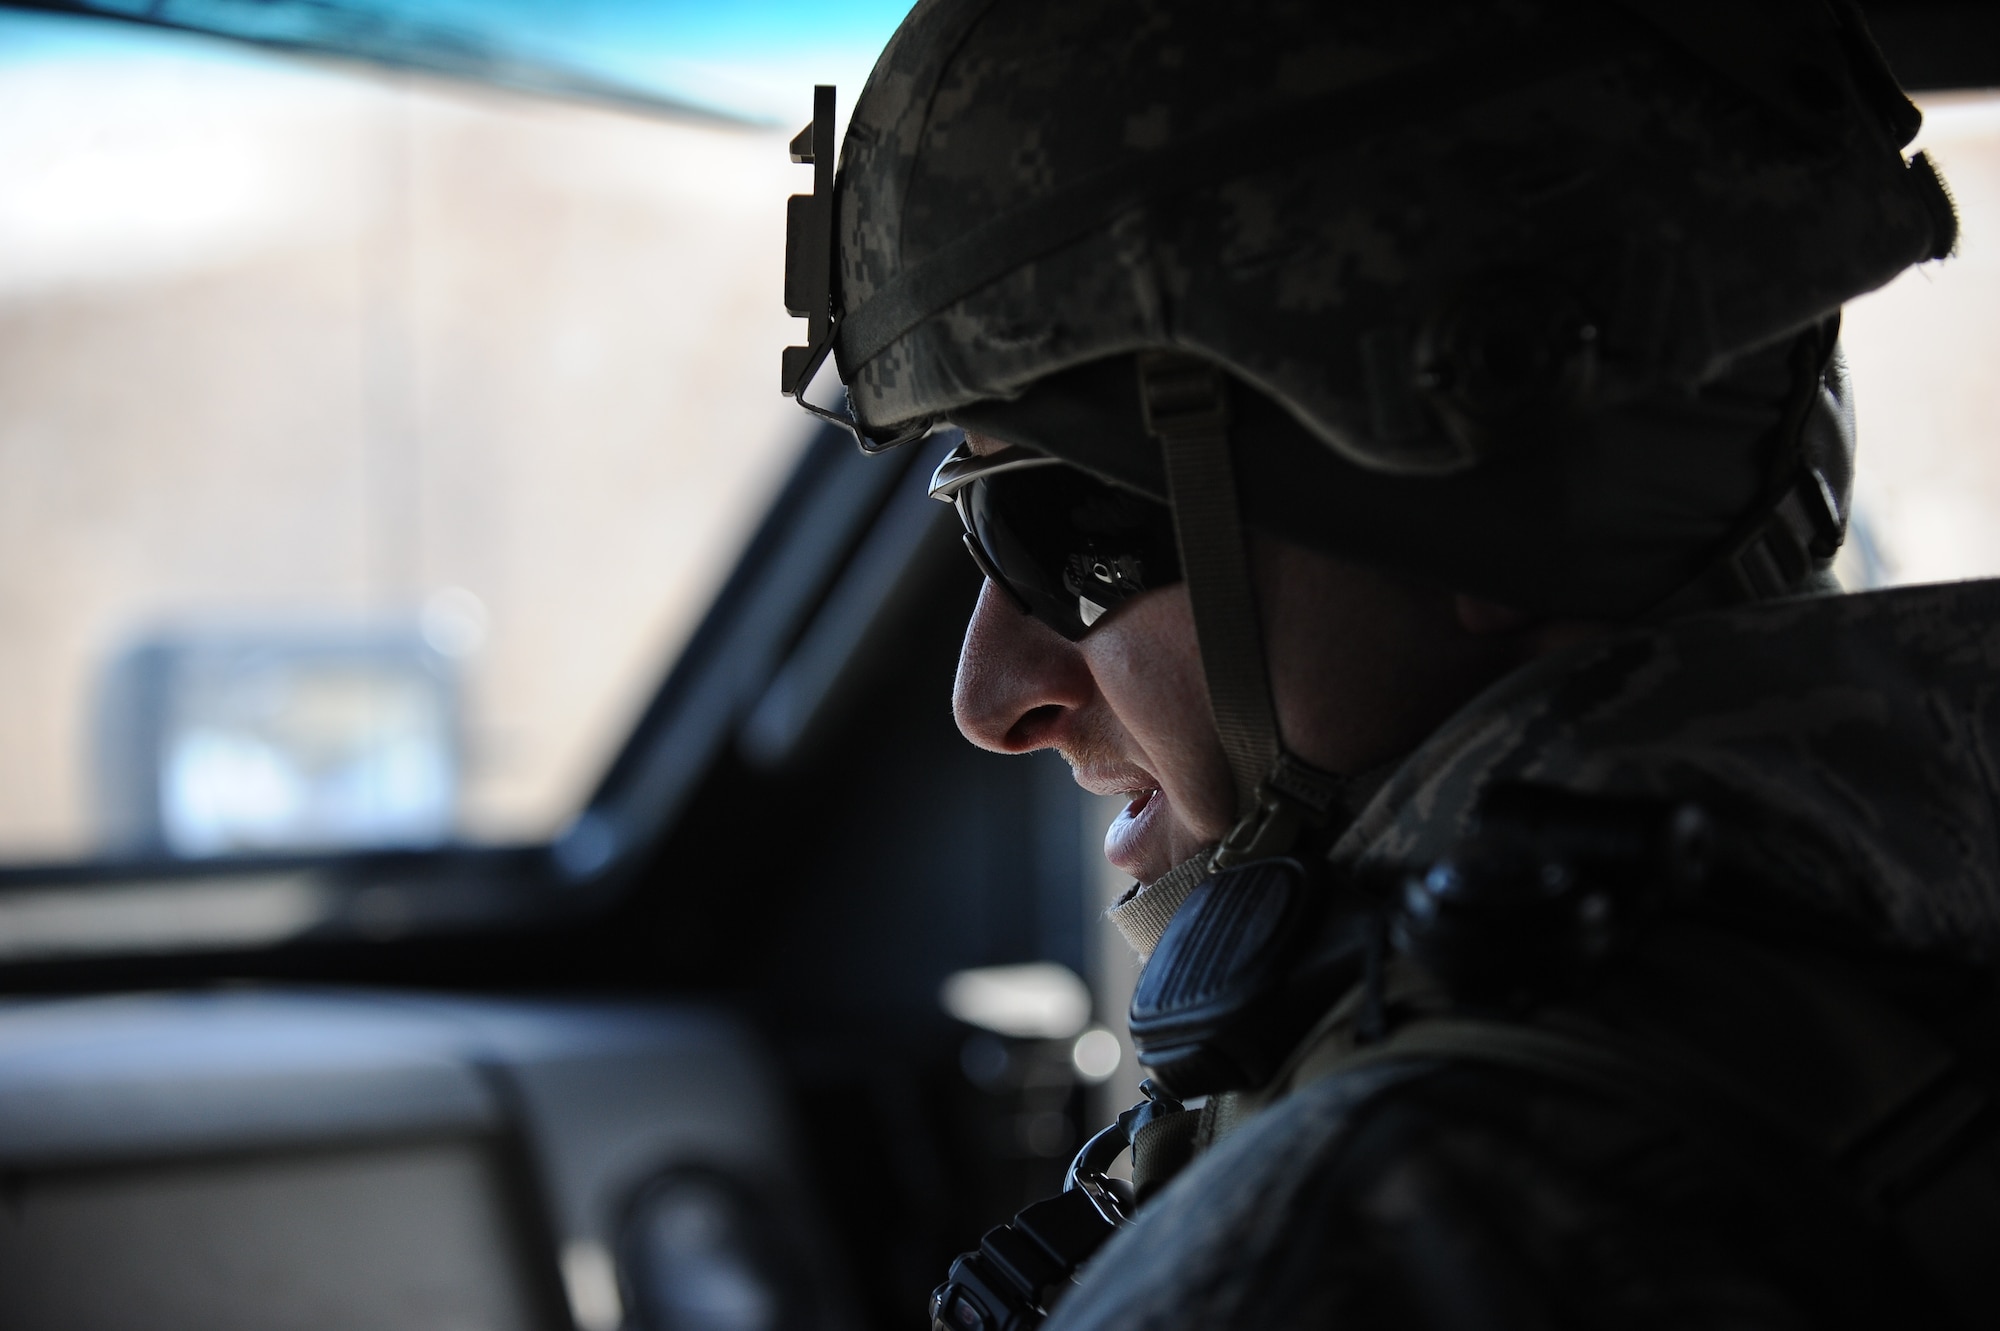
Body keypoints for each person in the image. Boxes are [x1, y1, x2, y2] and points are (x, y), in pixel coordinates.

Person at [781, 0, 2000, 1326]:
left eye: (1065, 533)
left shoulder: (1373, 1233)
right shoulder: (1918, 889)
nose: (990, 697)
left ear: (1501, 500)